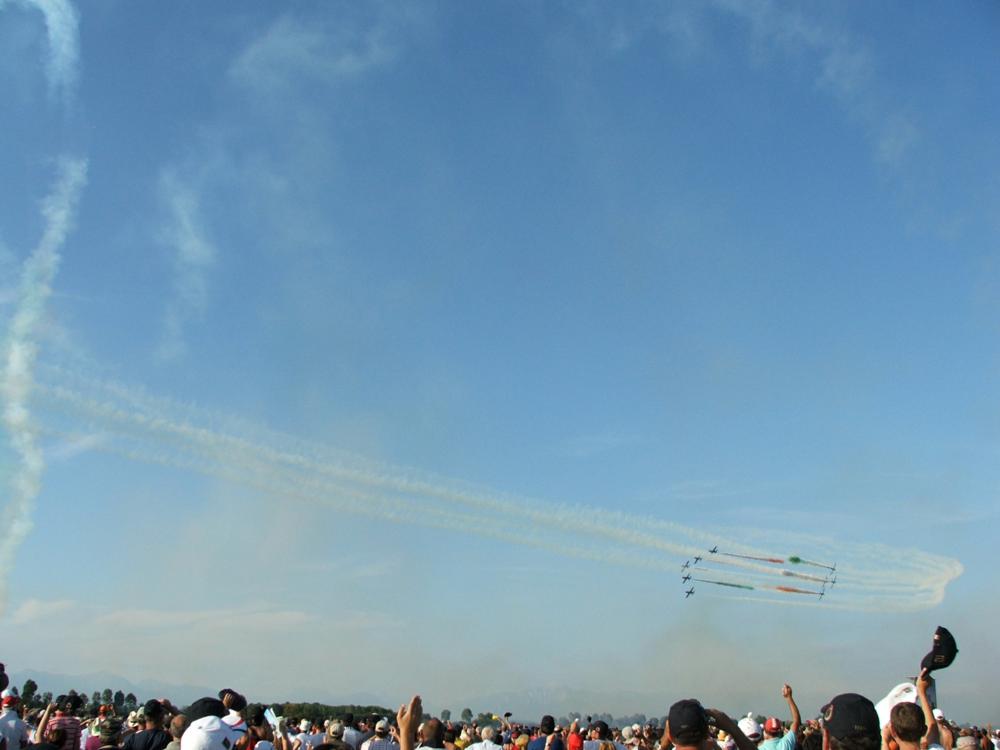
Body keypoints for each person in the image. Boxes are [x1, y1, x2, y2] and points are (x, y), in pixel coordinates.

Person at [758, 685, 800, 750]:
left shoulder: (760, 748)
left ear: (765, 732)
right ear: (779, 731)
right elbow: (796, 721)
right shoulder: (786, 743)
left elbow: (796, 722)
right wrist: (789, 697)